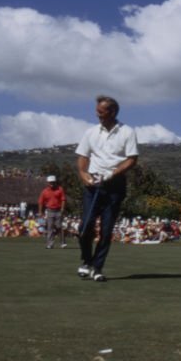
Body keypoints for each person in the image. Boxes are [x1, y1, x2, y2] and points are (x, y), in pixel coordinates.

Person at [75, 95, 139, 282]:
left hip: (115, 186)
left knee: (106, 229)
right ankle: (86, 261)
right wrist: (83, 174)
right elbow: (83, 156)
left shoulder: (127, 131)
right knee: (85, 227)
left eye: (101, 112)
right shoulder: (91, 132)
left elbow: (132, 159)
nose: (98, 115)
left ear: (112, 112)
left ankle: (97, 267)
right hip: (93, 185)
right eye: (97, 112)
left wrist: (113, 174)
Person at [38, 175, 67, 250]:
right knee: (50, 228)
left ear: (55, 182)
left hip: (58, 210)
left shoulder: (60, 189)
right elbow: (41, 202)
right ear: (48, 183)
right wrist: (40, 211)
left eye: (53, 182)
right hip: (50, 210)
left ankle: (62, 243)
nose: (52, 184)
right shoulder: (44, 191)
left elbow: (63, 199)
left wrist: (62, 208)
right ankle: (50, 244)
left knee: (59, 227)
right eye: (50, 183)